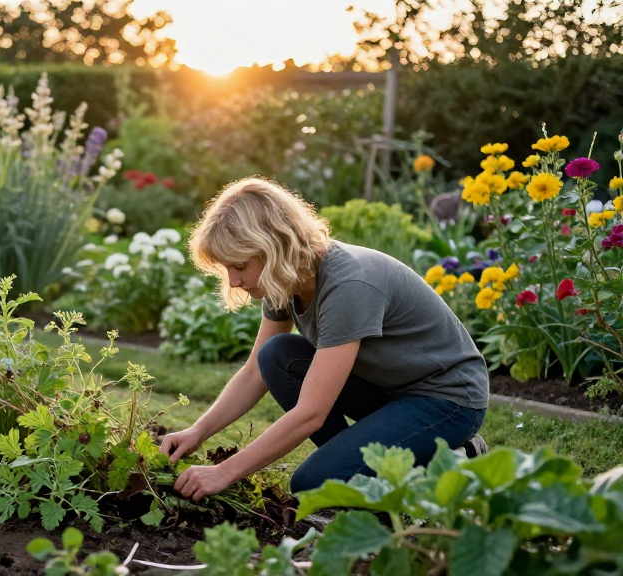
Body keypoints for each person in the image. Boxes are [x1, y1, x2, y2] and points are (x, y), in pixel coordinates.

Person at [159, 177, 489, 502]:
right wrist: (197, 432)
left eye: (239, 266)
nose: (234, 281)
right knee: (276, 356)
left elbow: (311, 413)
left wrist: (225, 472)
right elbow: (254, 373)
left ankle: (456, 458)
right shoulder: (283, 278)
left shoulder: (349, 285)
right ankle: (361, 462)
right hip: (390, 393)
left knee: (314, 483)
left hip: (448, 400)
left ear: (273, 245)